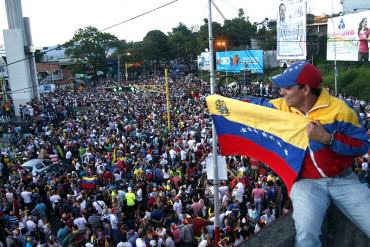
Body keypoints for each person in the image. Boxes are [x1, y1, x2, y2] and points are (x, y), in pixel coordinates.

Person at [267, 61, 370, 246]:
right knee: (306, 234)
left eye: (287, 87)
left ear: (305, 89)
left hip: (343, 180)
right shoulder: (281, 106)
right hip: (306, 184)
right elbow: (251, 108)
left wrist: (328, 139)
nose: (282, 92)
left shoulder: (340, 110)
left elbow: (362, 145)